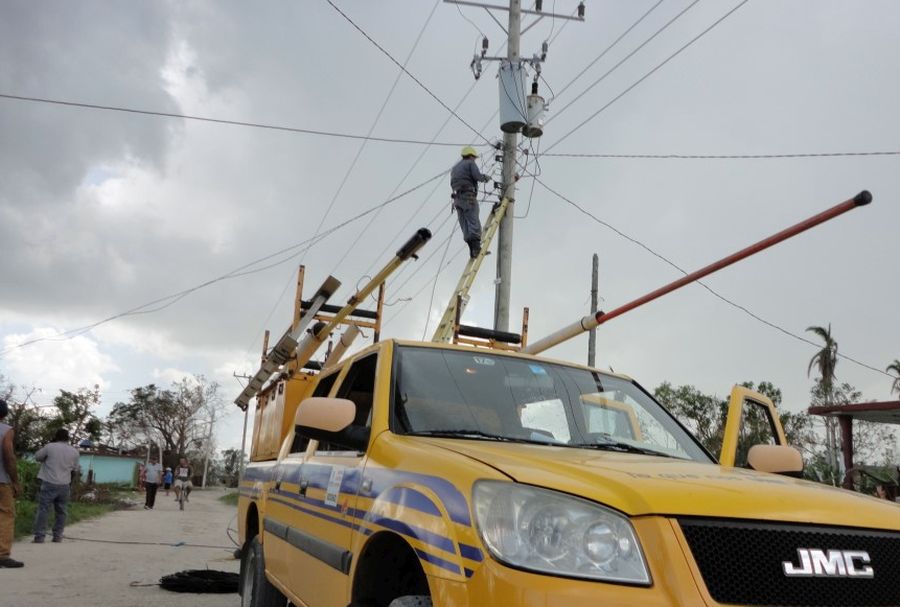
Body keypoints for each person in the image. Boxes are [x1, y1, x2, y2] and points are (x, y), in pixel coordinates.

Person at [32, 428, 80, 543]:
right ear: (67, 438)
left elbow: (37, 457)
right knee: (62, 511)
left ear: (56, 436)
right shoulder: (74, 451)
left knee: (43, 509)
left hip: (49, 482)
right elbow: (75, 469)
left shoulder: (50, 447)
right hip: (64, 485)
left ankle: (39, 537)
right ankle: (57, 536)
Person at [450, 146, 491, 258]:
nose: (474, 160)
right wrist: (485, 178)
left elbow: (452, 183)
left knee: (465, 224)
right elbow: (477, 176)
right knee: (473, 222)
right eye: (474, 158)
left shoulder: (454, 168)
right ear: (471, 156)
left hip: (457, 199)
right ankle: (476, 250)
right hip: (468, 197)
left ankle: (472, 251)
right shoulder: (470, 163)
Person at [0, 398, 24, 568]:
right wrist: (15, 481)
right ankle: (2, 555)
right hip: (1, 481)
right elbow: (8, 456)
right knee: (5, 515)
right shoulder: (6, 430)